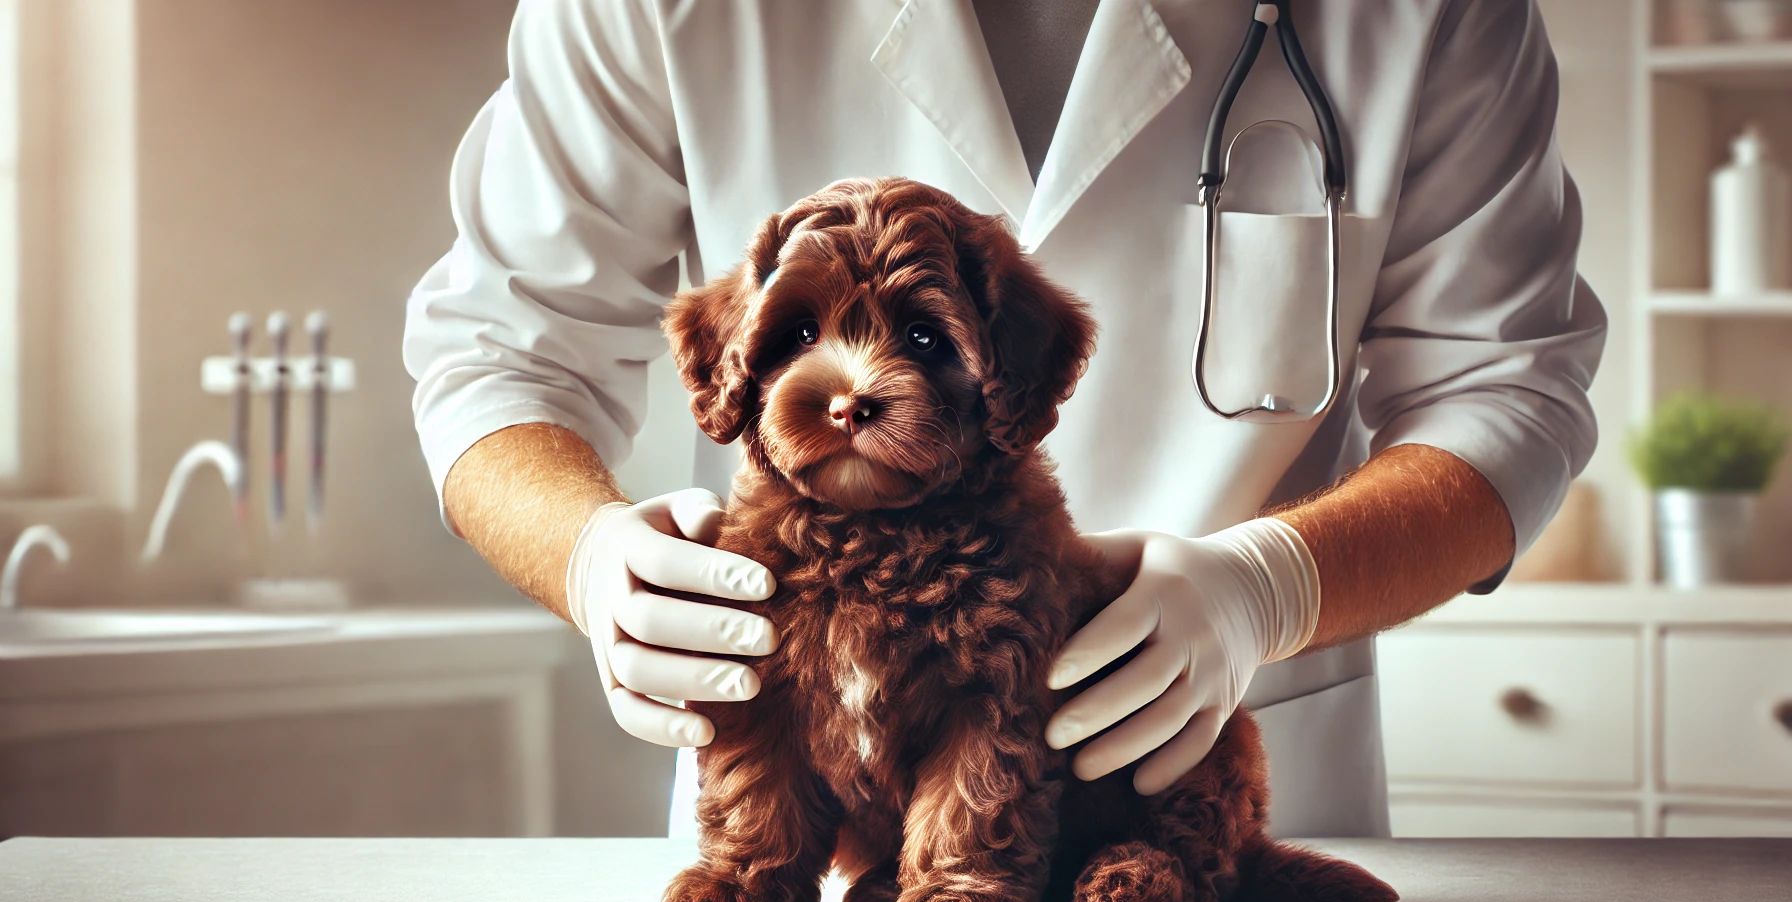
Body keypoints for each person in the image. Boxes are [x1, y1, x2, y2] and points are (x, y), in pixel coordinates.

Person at [404, 0, 1603, 839]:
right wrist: (587, 552)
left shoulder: (1434, 12)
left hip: (1211, 770)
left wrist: (1269, 590)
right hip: (823, 811)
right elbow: (498, 352)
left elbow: (1507, 392)